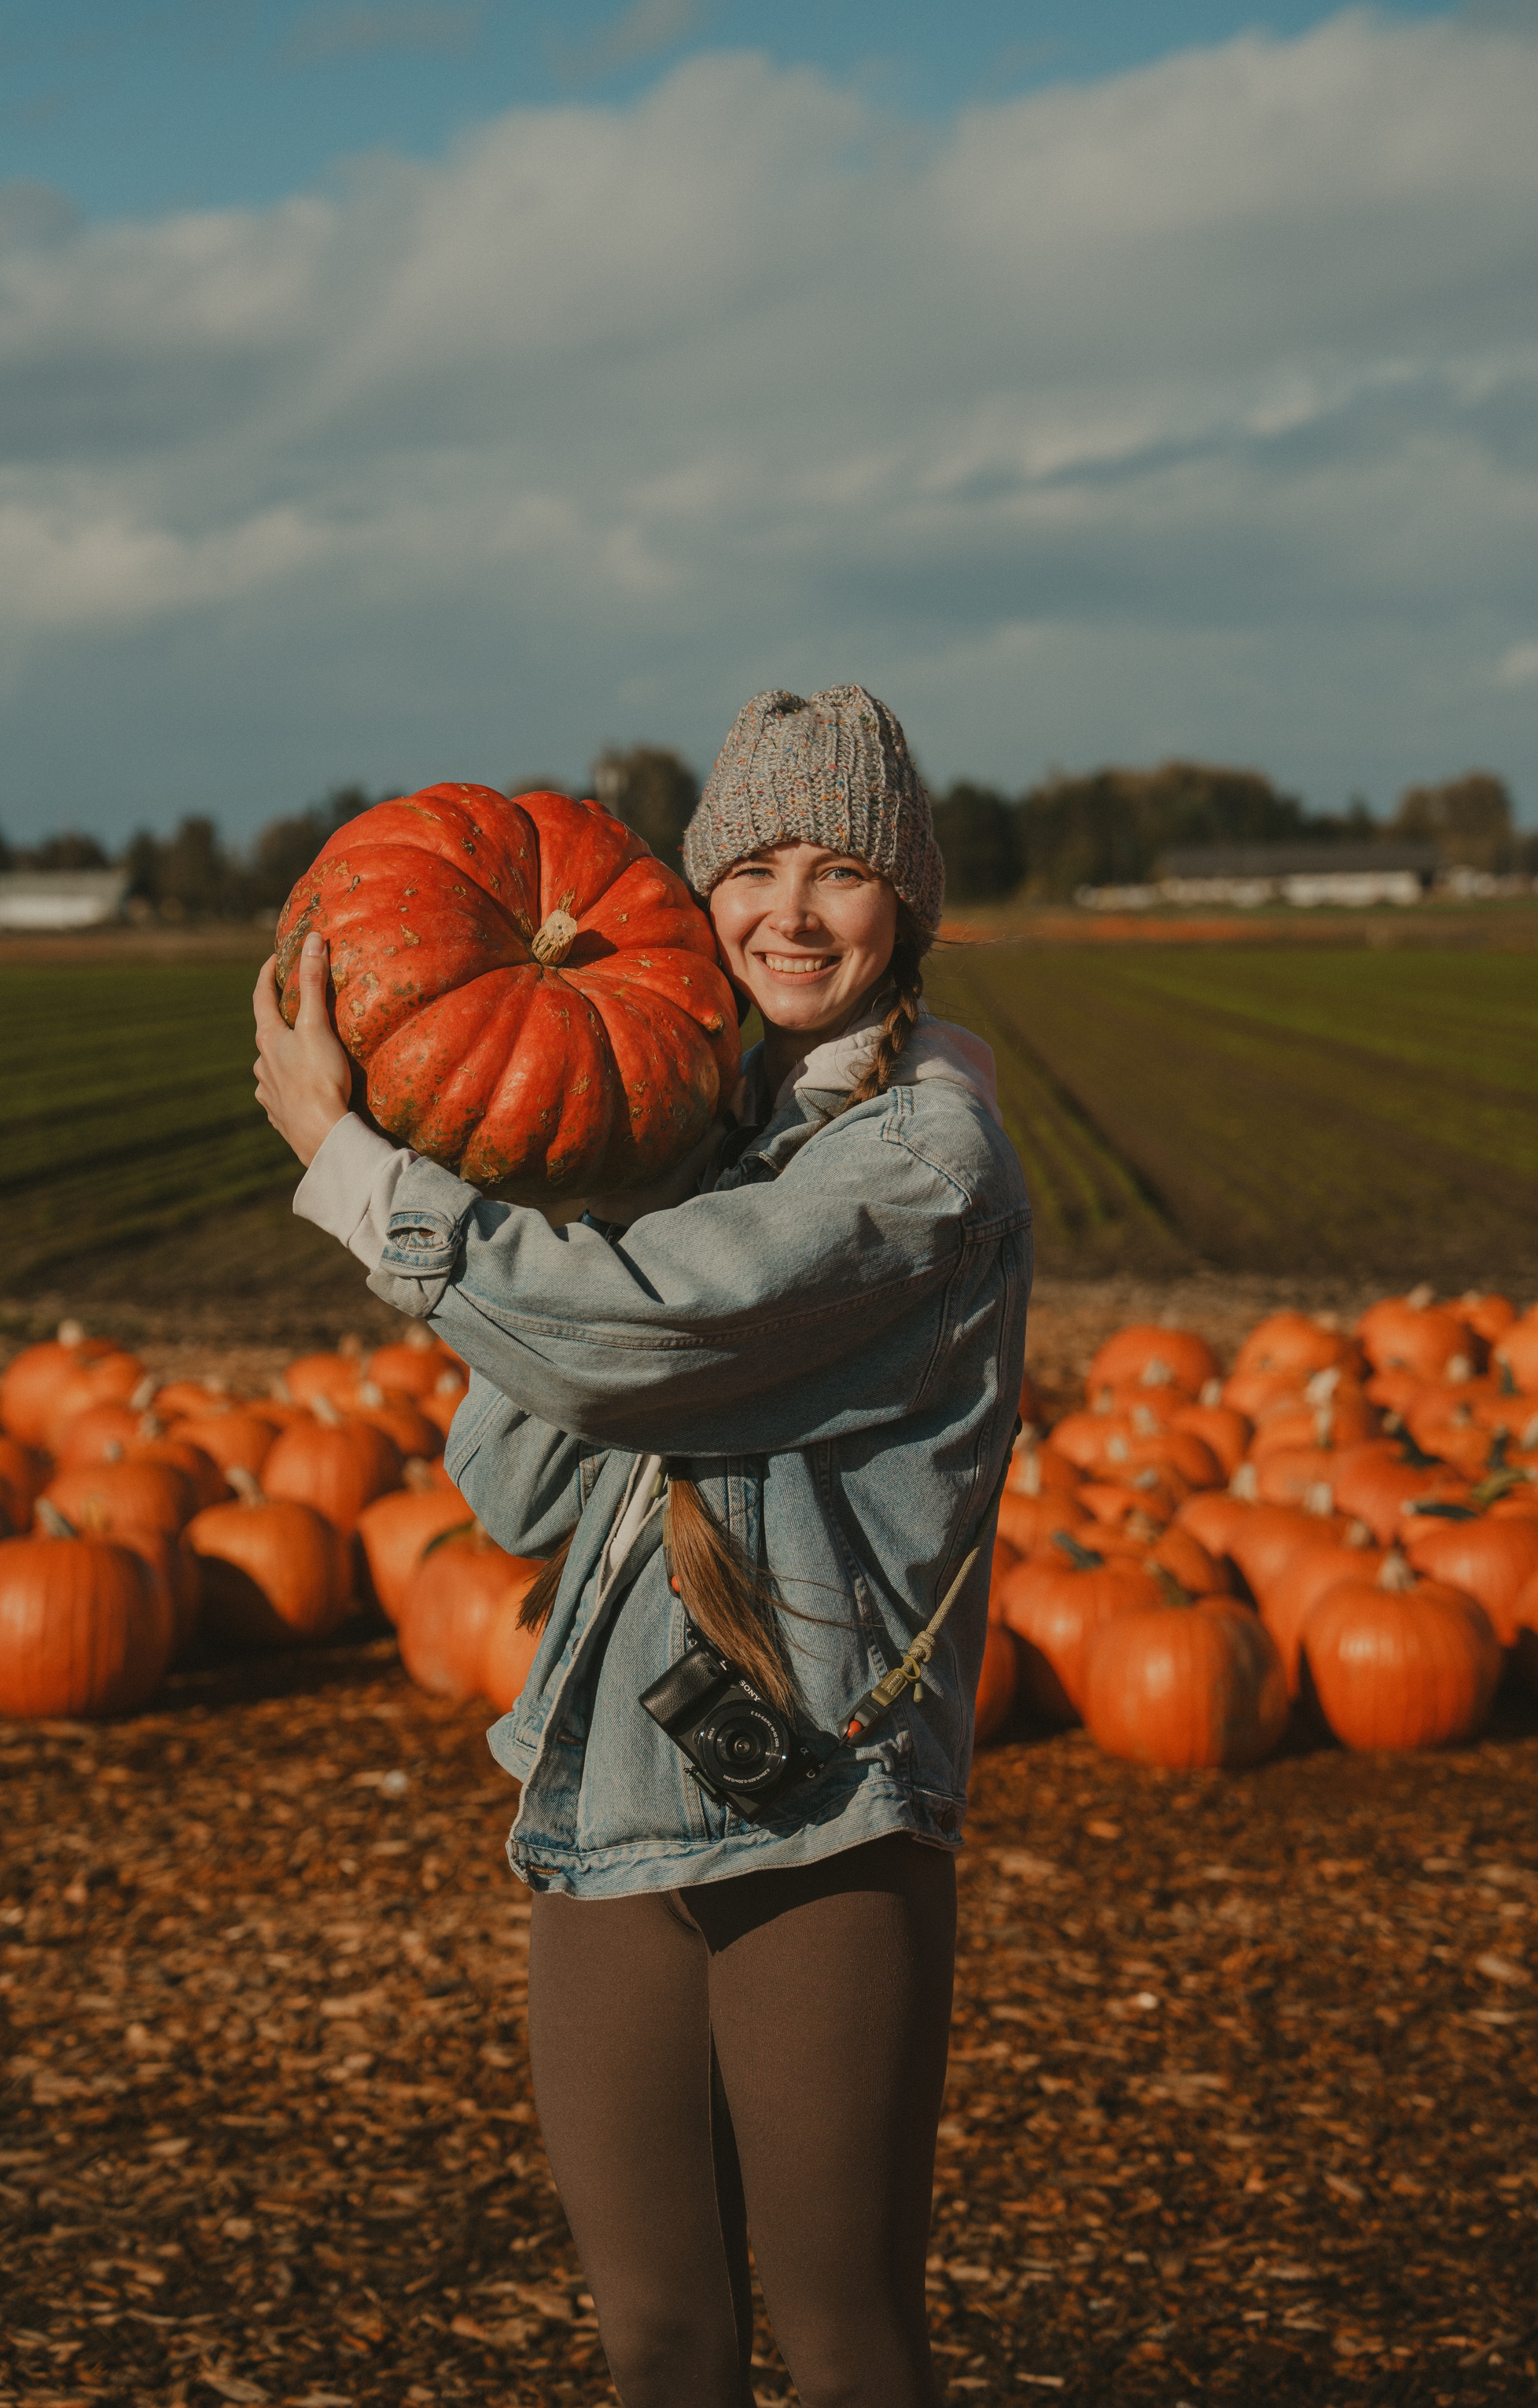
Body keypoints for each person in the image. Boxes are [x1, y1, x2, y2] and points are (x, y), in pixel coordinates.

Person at [253, 684, 1032, 2408]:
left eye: (842, 870)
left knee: (843, 2344)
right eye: (751, 869)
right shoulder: (696, 1140)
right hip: (607, 1787)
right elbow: (515, 1489)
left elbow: (635, 1342)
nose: (791, 911)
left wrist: (351, 1162)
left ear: (907, 903)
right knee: (661, 2344)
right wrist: (563, 1162)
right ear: (696, 899)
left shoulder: (921, 1160)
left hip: (814, 1806)